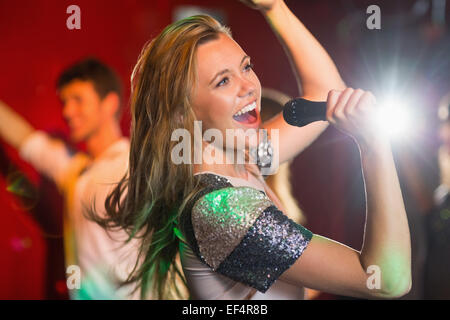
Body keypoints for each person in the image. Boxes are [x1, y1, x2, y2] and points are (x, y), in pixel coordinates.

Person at [97, 0, 412, 300]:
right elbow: (386, 279)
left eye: (246, 67)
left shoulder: (245, 159)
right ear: (183, 112)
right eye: (223, 81)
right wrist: (373, 147)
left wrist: (275, 8)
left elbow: (328, 94)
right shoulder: (220, 208)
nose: (248, 86)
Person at [0, 58, 142, 299]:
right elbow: (26, 139)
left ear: (109, 104)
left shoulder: (136, 166)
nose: (67, 111)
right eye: (64, 102)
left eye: (78, 100)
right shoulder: (76, 171)